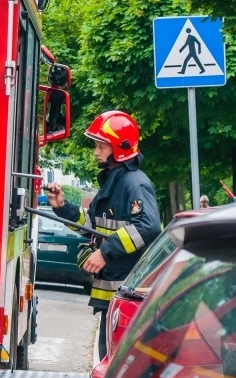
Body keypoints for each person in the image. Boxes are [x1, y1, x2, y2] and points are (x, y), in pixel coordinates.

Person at [44, 110, 161, 359]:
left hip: (126, 301)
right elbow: (92, 224)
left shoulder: (134, 183)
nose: (96, 151)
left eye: (101, 145)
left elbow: (149, 226)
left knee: (115, 368)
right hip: (115, 301)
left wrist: (105, 254)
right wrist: (62, 207)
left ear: (119, 148)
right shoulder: (114, 181)